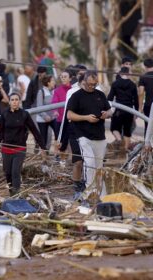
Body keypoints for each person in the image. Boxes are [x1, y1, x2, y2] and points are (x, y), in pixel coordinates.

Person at [67, 71, 112, 201]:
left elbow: (109, 110)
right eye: (90, 84)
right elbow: (69, 115)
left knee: (99, 165)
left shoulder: (100, 94)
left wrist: (106, 114)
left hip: (99, 135)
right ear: (84, 82)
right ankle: (89, 190)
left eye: (94, 84)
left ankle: (100, 192)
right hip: (83, 135)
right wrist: (86, 118)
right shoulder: (76, 96)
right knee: (89, 162)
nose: (92, 86)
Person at [0, 93, 46, 195]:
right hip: (6, 149)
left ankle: (16, 193)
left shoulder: (24, 114)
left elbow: (34, 131)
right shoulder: (4, 114)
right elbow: (0, 133)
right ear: (9, 102)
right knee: (8, 173)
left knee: (15, 172)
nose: (14, 102)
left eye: (16, 100)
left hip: (19, 149)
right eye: (12, 100)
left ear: (19, 101)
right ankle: (11, 192)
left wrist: (42, 147)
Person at [57, 65, 88, 199]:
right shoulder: (72, 92)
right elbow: (66, 116)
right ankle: (77, 184)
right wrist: (60, 138)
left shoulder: (96, 91)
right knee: (77, 161)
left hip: (91, 133)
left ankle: (87, 183)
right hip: (74, 131)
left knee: (89, 161)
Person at [107, 67, 139, 151]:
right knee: (127, 131)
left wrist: (106, 107)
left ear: (121, 73)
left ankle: (119, 140)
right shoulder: (132, 84)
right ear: (128, 73)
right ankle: (124, 150)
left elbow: (110, 97)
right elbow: (136, 100)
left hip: (118, 110)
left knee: (114, 128)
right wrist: (136, 112)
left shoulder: (115, 83)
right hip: (129, 110)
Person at [36, 74, 58, 149]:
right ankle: (44, 158)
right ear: (48, 83)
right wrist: (45, 116)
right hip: (42, 120)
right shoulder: (41, 92)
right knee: (43, 139)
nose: (54, 82)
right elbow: (39, 107)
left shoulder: (54, 91)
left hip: (53, 118)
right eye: (53, 81)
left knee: (58, 135)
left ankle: (57, 154)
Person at [51, 70, 71, 150]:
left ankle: (71, 159)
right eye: (62, 77)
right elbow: (54, 102)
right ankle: (61, 160)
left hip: (71, 119)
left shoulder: (73, 90)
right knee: (61, 143)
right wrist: (55, 111)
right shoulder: (57, 90)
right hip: (60, 120)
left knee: (72, 140)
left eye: (65, 77)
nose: (63, 78)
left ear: (70, 79)